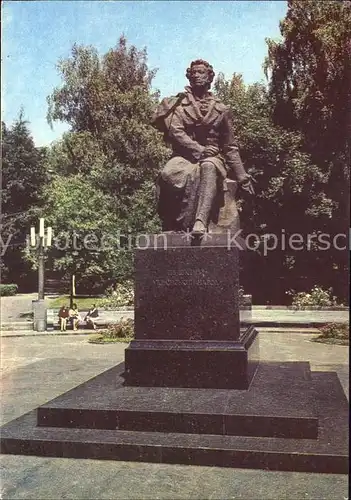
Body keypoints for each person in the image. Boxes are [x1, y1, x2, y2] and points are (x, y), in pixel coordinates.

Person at [151, 59, 254, 234]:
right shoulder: (178, 104)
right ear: (189, 77)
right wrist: (199, 149)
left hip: (213, 157)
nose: (197, 76)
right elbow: (177, 132)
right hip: (183, 157)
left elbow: (230, 146)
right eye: (194, 73)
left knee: (209, 166)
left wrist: (242, 176)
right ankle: (176, 224)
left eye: (201, 73)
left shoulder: (222, 110)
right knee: (168, 173)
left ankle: (200, 221)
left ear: (209, 78)